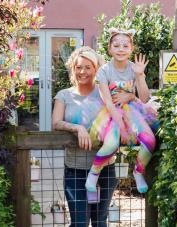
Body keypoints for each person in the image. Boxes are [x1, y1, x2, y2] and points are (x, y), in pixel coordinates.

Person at [52, 46, 135, 227]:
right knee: (79, 223)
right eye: (78, 67)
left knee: (99, 221)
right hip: (76, 169)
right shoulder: (64, 95)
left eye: (88, 67)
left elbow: (133, 102)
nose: (83, 72)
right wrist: (78, 128)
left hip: (105, 169)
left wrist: (129, 96)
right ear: (73, 69)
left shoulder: (106, 93)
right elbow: (56, 123)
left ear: (96, 69)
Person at [85, 28, 157, 195]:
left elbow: (144, 98)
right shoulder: (104, 71)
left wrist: (139, 76)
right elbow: (108, 102)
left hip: (133, 111)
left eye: (125, 46)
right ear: (110, 49)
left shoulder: (134, 68)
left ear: (131, 49)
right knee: (110, 144)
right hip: (111, 113)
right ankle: (94, 172)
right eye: (116, 45)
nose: (121, 49)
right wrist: (122, 126)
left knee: (150, 141)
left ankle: (138, 171)